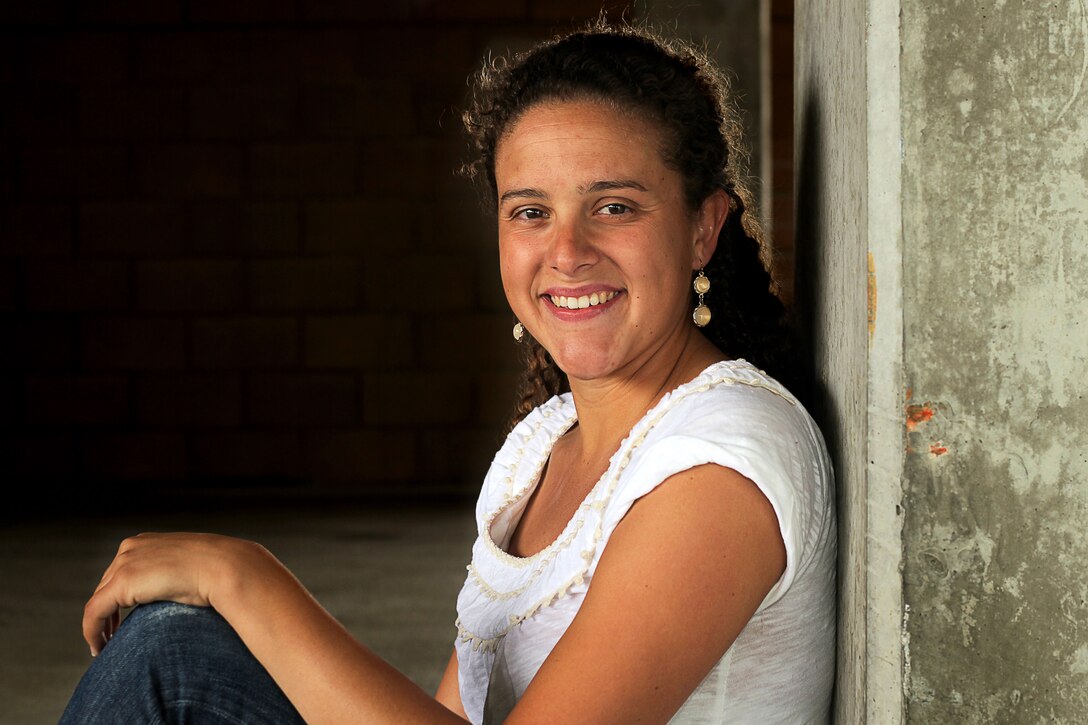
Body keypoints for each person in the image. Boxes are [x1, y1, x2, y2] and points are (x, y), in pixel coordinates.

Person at [62, 21, 835, 724]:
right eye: (531, 212)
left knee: (173, 657)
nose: (567, 252)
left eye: (615, 207)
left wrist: (243, 577)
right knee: (174, 645)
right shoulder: (540, 447)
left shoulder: (724, 458)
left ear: (704, 229)